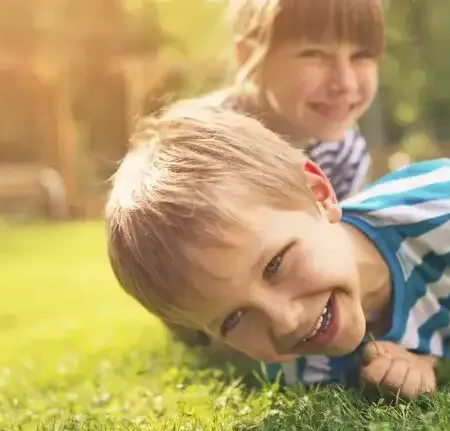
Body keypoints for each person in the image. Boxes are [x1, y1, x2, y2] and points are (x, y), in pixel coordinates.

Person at [104, 104, 450, 400]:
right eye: (234, 319)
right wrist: (414, 363)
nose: (287, 319)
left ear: (320, 195)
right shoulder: (298, 365)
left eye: (274, 264)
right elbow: (431, 337)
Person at [156, 0, 385, 347]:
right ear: (250, 55)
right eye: (314, 54)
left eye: (361, 55)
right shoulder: (207, 139)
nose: (345, 81)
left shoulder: (344, 150)